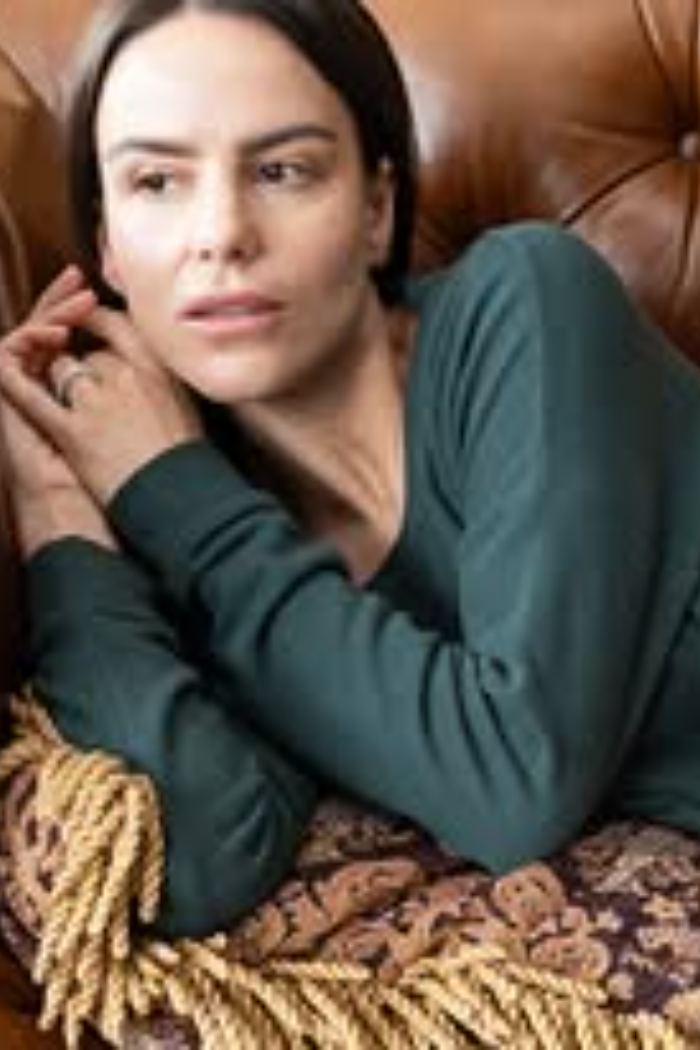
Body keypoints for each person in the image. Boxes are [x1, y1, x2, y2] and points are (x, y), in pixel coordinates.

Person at [2, 0, 700, 941]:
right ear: (109, 247)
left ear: (377, 210)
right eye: (157, 181)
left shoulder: (527, 303)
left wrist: (175, 494)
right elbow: (200, 858)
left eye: (282, 170)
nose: (221, 233)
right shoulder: (183, 517)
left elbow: (516, 780)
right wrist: (58, 513)